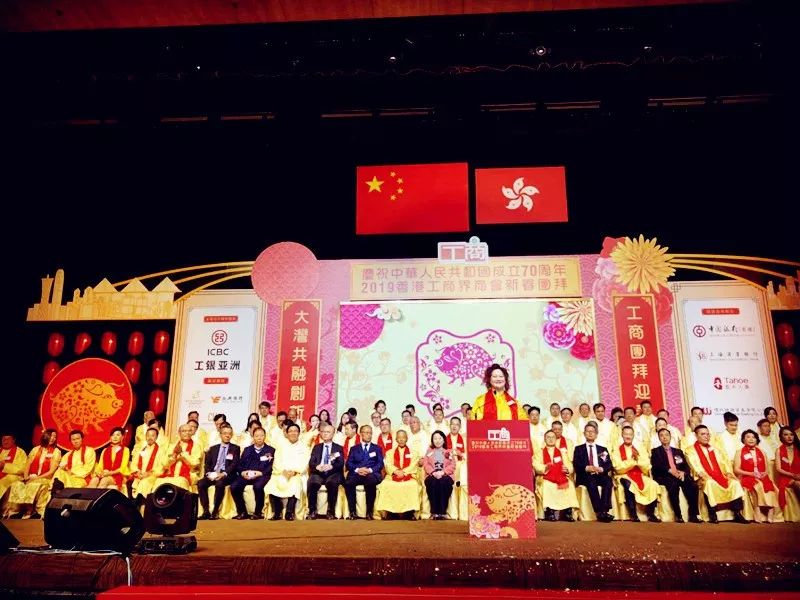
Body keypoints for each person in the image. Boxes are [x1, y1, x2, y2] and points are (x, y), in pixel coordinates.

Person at [686, 425, 747, 524]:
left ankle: (737, 513)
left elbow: (724, 463)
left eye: (708, 434)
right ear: (696, 436)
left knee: (734, 483)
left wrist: (728, 473)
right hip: (702, 477)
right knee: (710, 483)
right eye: (703, 434)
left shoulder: (715, 449)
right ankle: (712, 513)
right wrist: (702, 474)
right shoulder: (690, 450)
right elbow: (694, 465)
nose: (706, 436)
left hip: (720, 476)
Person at [7, 429, 60, 519]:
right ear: (45, 436)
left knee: (35, 484)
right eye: (51, 436)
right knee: (16, 484)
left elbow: (51, 471)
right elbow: (27, 465)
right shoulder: (35, 449)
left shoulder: (56, 451)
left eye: (55, 437)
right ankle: (16, 511)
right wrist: (26, 477)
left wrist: (37, 478)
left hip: (45, 478)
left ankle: (31, 510)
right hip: (31, 477)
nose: (53, 438)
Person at [612, 425, 661, 522]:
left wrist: (637, 460)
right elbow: (618, 468)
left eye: (630, 434)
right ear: (622, 435)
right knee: (628, 484)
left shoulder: (639, 449)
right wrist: (632, 462)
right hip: (623, 475)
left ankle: (651, 514)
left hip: (639, 474)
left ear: (633, 436)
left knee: (653, 484)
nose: (628, 436)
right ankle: (633, 514)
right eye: (626, 434)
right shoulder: (617, 450)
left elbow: (647, 465)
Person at [651, 428, 700, 522]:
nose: (664, 437)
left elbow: (686, 466)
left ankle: (693, 515)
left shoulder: (678, 451)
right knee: (673, 485)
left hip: (679, 475)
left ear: (670, 437)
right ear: (659, 438)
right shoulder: (655, 451)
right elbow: (657, 466)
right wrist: (670, 471)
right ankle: (678, 515)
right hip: (665, 476)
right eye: (662, 435)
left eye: (667, 435)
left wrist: (683, 472)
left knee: (693, 485)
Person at [265, 423, 310, 520]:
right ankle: (277, 512)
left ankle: (289, 512)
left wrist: (295, 472)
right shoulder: (281, 446)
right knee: (272, 484)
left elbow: (305, 463)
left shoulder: (304, 447)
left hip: (297, 474)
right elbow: (277, 461)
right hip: (282, 473)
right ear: (286, 433)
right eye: (290, 431)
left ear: (299, 433)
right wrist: (283, 471)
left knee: (295, 484)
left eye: (295, 431)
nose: (293, 433)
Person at [734, 429, 778, 523]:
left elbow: (767, 469)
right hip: (747, 476)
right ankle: (757, 510)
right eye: (748, 437)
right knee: (757, 485)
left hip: (761, 476)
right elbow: (736, 470)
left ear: (756, 439)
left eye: (753, 437)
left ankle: (770, 510)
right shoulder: (739, 452)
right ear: (743, 440)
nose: (751, 439)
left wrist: (764, 474)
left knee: (769, 485)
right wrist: (751, 474)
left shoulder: (762, 452)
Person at [197, 423, 240, 520]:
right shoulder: (213, 448)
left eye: (229, 434)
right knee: (201, 483)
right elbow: (207, 464)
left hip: (226, 475)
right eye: (225, 433)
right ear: (220, 435)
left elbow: (234, 464)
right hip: (213, 474)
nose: (227, 435)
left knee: (220, 483)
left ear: (232, 435)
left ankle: (215, 511)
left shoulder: (235, 448)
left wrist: (223, 474)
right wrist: (209, 473)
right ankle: (206, 511)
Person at [572, 423, 614, 522]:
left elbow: (609, 464)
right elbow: (576, 464)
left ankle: (604, 510)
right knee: (591, 481)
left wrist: (601, 469)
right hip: (585, 476)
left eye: (593, 431)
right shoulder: (579, 449)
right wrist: (587, 468)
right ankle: (600, 512)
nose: (590, 433)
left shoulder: (602, 449)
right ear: (584, 433)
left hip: (599, 474)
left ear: (596, 434)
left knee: (608, 481)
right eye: (588, 431)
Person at [230, 426, 274, 520]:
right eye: (257, 436)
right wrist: (243, 472)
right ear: (253, 437)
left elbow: (271, 466)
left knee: (258, 487)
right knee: (234, 486)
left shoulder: (270, 450)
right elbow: (240, 465)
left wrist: (260, 473)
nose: (259, 438)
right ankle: (242, 512)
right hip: (247, 475)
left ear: (265, 436)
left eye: (261, 435)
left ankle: (258, 512)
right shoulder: (247, 450)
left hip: (262, 475)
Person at [376, 430, 421, 520]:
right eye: (399, 437)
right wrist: (396, 471)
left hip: (408, 475)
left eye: (403, 437)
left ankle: (409, 512)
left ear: (407, 439)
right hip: (393, 475)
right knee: (386, 484)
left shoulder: (414, 452)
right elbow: (387, 464)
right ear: (396, 439)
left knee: (413, 485)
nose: (401, 439)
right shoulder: (389, 452)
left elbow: (414, 465)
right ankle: (391, 512)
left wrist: (403, 472)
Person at [344, 425, 383, 519]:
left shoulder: (377, 448)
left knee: (370, 481)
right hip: (357, 473)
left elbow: (380, 463)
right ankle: (352, 512)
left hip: (371, 473)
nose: (369, 435)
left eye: (370, 433)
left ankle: (369, 512)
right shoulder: (354, 448)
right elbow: (349, 463)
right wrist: (358, 470)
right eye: (366, 432)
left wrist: (369, 470)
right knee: (349, 483)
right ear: (361, 434)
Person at [307, 424, 344, 520]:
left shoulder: (338, 448)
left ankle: (330, 511)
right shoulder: (317, 447)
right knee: (312, 482)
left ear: (333, 434)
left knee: (332, 483)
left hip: (332, 473)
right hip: (319, 472)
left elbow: (340, 464)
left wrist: (331, 466)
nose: (325, 434)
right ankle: (312, 511)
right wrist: (317, 467)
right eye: (323, 432)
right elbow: (311, 463)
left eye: (328, 432)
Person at [156, 423, 202, 492]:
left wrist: (182, 454)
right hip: (171, 475)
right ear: (179, 433)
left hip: (186, 476)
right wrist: (174, 455)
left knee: (179, 482)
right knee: (159, 482)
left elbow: (195, 464)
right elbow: (164, 464)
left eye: (189, 431)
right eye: (184, 431)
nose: (187, 433)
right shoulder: (172, 446)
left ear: (192, 433)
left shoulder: (196, 446)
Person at [423, 431, 455, 520]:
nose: (437, 441)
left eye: (440, 438)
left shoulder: (448, 452)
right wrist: (433, 472)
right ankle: (434, 512)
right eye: (435, 438)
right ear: (432, 440)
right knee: (432, 482)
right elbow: (426, 464)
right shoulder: (429, 451)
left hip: (445, 474)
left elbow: (452, 465)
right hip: (432, 474)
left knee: (443, 482)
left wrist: (443, 472)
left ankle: (442, 512)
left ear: (444, 440)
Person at [130, 426, 163, 502]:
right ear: (145, 437)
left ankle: (141, 505)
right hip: (139, 475)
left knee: (144, 483)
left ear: (156, 437)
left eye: (153, 435)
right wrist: (137, 472)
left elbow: (161, 467)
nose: (150, 438)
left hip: (152, 476)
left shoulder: (160, 451)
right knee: (131, 483)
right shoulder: (141, 450)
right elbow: (134, 463)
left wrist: (148, 473)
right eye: (148, 435)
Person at [774, 426, 800, 514]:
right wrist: (792, 475)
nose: (789, 437)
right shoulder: (779, 450)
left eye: (791, 435)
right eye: (786, 435)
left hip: (798, 475)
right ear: (781, 437)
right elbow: (778, 469)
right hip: (786, 477)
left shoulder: (798, 449)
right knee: (797, 483)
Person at [0, 434, 28, 513]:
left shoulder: (20, 452)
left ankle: (8, 510)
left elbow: (22, 469)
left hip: (13, 477)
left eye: (8, 439)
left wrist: (4, 466)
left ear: (13, 440)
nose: (5, 442)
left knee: (12, 480)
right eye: (4, 440)